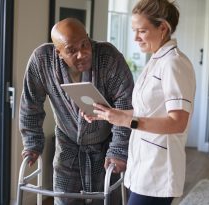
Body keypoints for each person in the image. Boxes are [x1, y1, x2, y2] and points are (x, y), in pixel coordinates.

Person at [84, 0, 196, 205]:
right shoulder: (156, 61)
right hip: (143, 165)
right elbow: (148, 111)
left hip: (159, 170)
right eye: (134, 30)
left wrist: (129, 121)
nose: (135, 37)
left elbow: (178, 122)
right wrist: (108, 113)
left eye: (142, 31)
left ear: (162, 28)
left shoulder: (174, 63)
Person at [19, 18, 134, 205]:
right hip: (67, 144)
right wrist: (32, 143)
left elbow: (126, 103)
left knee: (106, 199)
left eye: (85, 44)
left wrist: (119, 149)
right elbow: (31, 104)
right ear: (58, 52)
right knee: (64, 199)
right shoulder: (42, 61)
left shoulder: (109, 57)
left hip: (107, 146)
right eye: (72, 50)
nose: (82, 54)